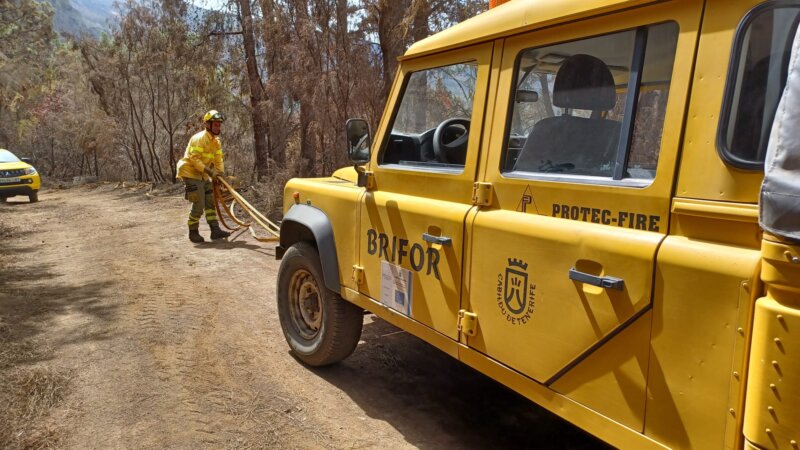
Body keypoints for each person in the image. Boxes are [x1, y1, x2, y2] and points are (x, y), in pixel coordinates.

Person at [176, 110, 231, 243]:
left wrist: (220, 175)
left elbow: (218, 160)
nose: (218, 127)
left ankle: (215, 230)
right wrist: (210, 172)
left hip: (203, 173)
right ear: (208, 125)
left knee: (210, 200)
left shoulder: (216, 141)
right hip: (190, 172)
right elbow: (194, 160)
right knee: (199, 203)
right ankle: (193, 232)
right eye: (216, 125)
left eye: (219, 125)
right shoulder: (199, 138)